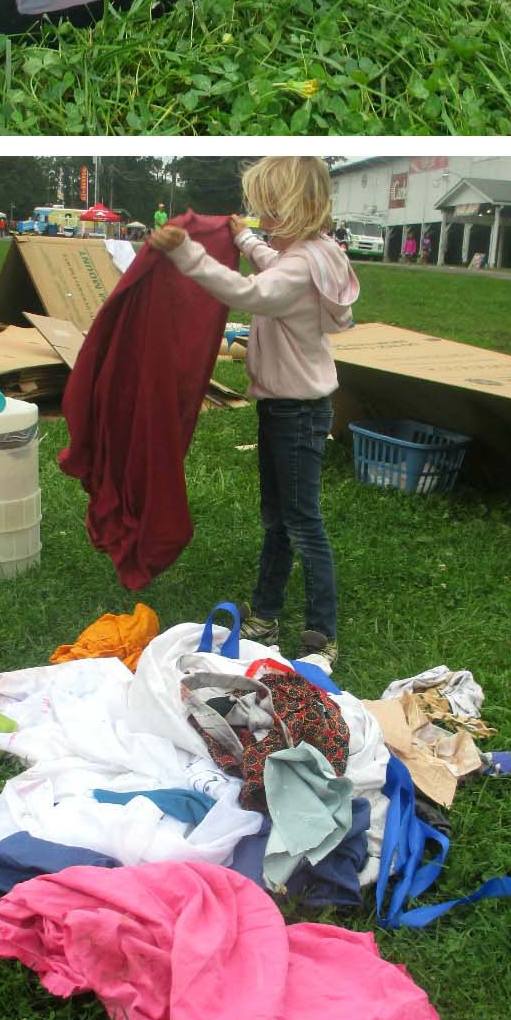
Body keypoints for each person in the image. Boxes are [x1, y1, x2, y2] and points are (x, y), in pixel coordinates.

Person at [148, 158, 360, 668]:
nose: (261, 218)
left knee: (301, 522)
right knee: (278, 519)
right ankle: (265, 614)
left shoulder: (299, 264)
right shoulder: (318, 252)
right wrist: (246, 241)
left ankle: (320, 634)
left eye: (269, 209)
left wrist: (189, 255)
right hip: (290, 406)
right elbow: (273, 265)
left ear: (300, 208)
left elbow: (250, 292)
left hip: (293, 410)